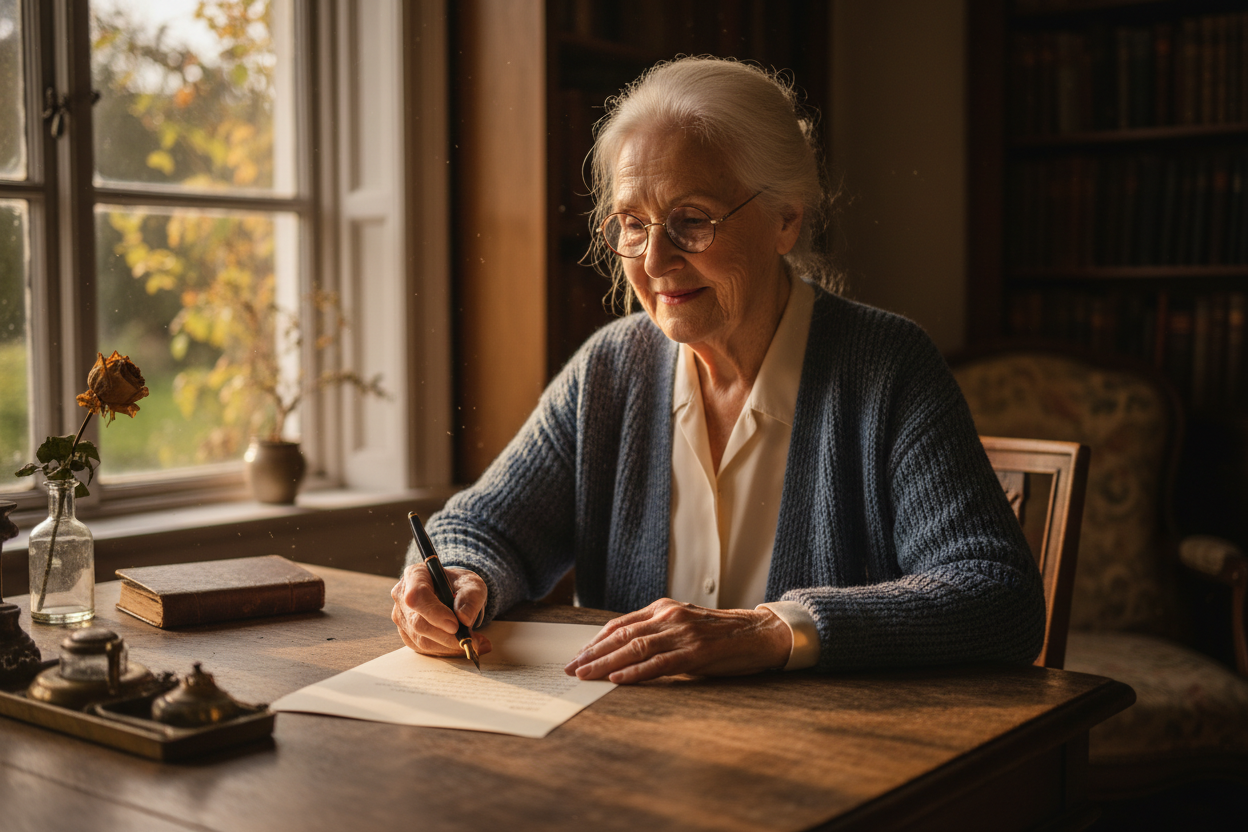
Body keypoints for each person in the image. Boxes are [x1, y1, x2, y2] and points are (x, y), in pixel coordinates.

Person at [392, 57, 1045, 684]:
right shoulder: (610, 371)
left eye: (691, 220)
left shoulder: (885, 366)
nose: (652, 261)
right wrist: (456, 575)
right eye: (631, 224)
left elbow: (996, 594)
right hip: (624, 755)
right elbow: (481, 528)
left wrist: (770, 633)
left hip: (831, 760)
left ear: (785, 218)